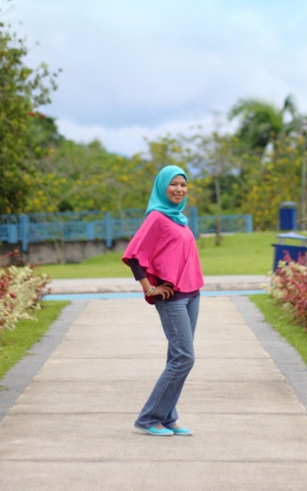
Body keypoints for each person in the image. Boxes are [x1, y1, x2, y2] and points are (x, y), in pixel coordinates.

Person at [123, 165, 205, 437]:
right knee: (184, 358)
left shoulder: (178, 218)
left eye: (183, 184)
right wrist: (149, 289)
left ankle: (168, 418)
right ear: (162, 186)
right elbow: (134, 255)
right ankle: (149, 418)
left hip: (191, 294)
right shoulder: (157, 217)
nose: (179, 189)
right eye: (174, 184)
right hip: (172, 298)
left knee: (176, 357)